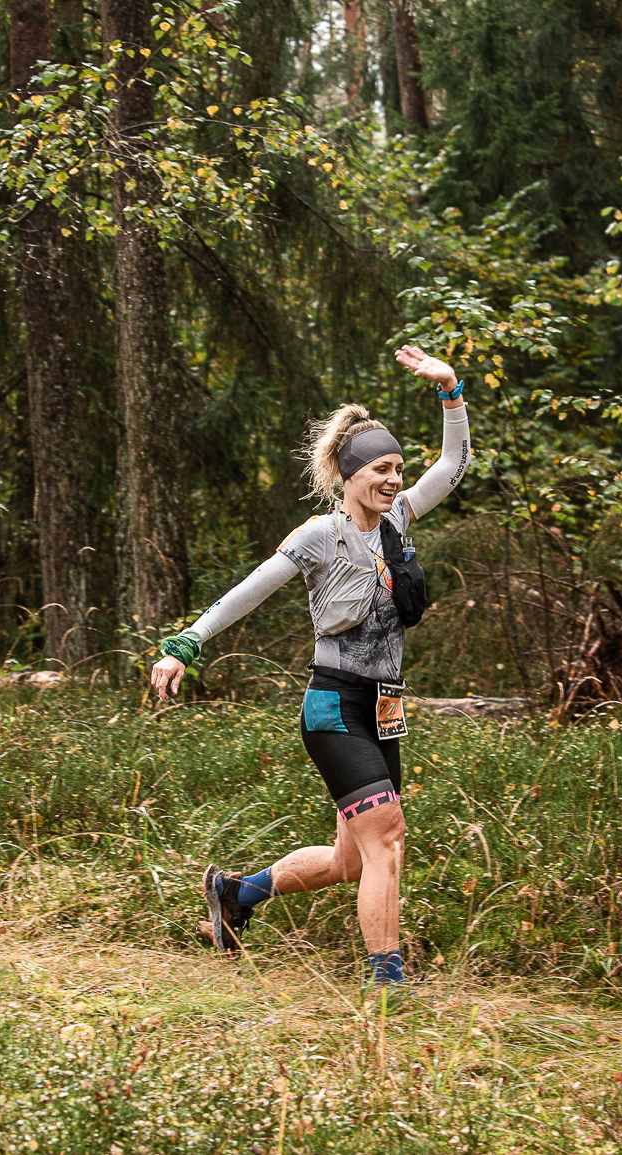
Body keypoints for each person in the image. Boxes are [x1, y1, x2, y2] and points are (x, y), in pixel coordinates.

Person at [149, 344, 471, 997]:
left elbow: (456, 463)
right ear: (351, 474)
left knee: (353, 859)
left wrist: (451, 391)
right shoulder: (320, 535)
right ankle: (388, 984)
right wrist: (186, 641)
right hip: (333, 706)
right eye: (380, 469)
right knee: (388, 839)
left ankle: (235, 892)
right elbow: (252, 588)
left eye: (397, 469)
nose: (392, 480)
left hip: (385, 707)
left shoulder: (401, 518)